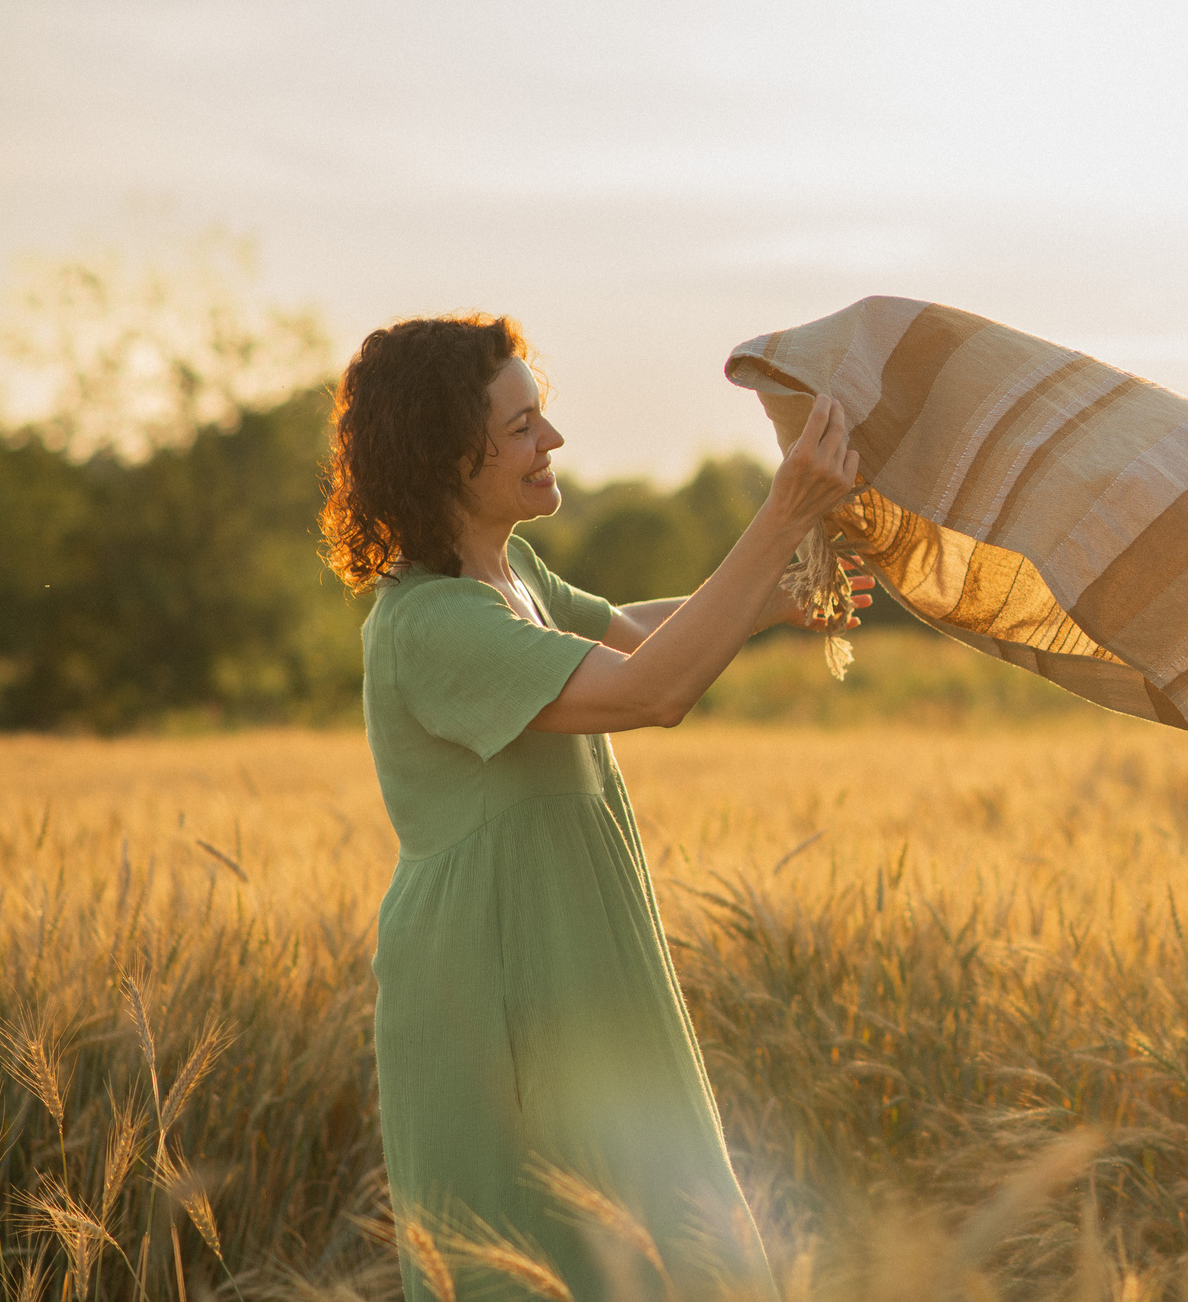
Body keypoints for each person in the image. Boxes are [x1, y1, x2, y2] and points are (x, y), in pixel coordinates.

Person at [321, 315, 867, 1302]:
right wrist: (778, 517)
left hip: (575, 949)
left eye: (543, 418)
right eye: (523, 426)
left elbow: (633, 640)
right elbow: (651, 690)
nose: (552, 443)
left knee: (659, 1233)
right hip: (494, 986)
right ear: (448, 454)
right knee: (537, 1256)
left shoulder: (509, 575)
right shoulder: (431, 623)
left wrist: (773, 599)